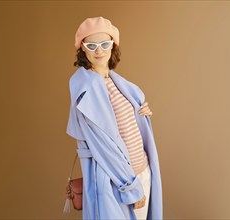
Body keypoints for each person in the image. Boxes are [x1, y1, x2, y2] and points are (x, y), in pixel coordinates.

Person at [66, 16, 163, 219]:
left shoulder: (117, 82)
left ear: (113, 45)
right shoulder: (86, 90)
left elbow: (122, 125)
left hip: (142, 171)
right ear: (82, 48)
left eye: (104, 44)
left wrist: (139, 112)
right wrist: (130, 187)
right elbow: (103, 147)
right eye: (91, 45)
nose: (99, 51)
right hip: (119, 181)